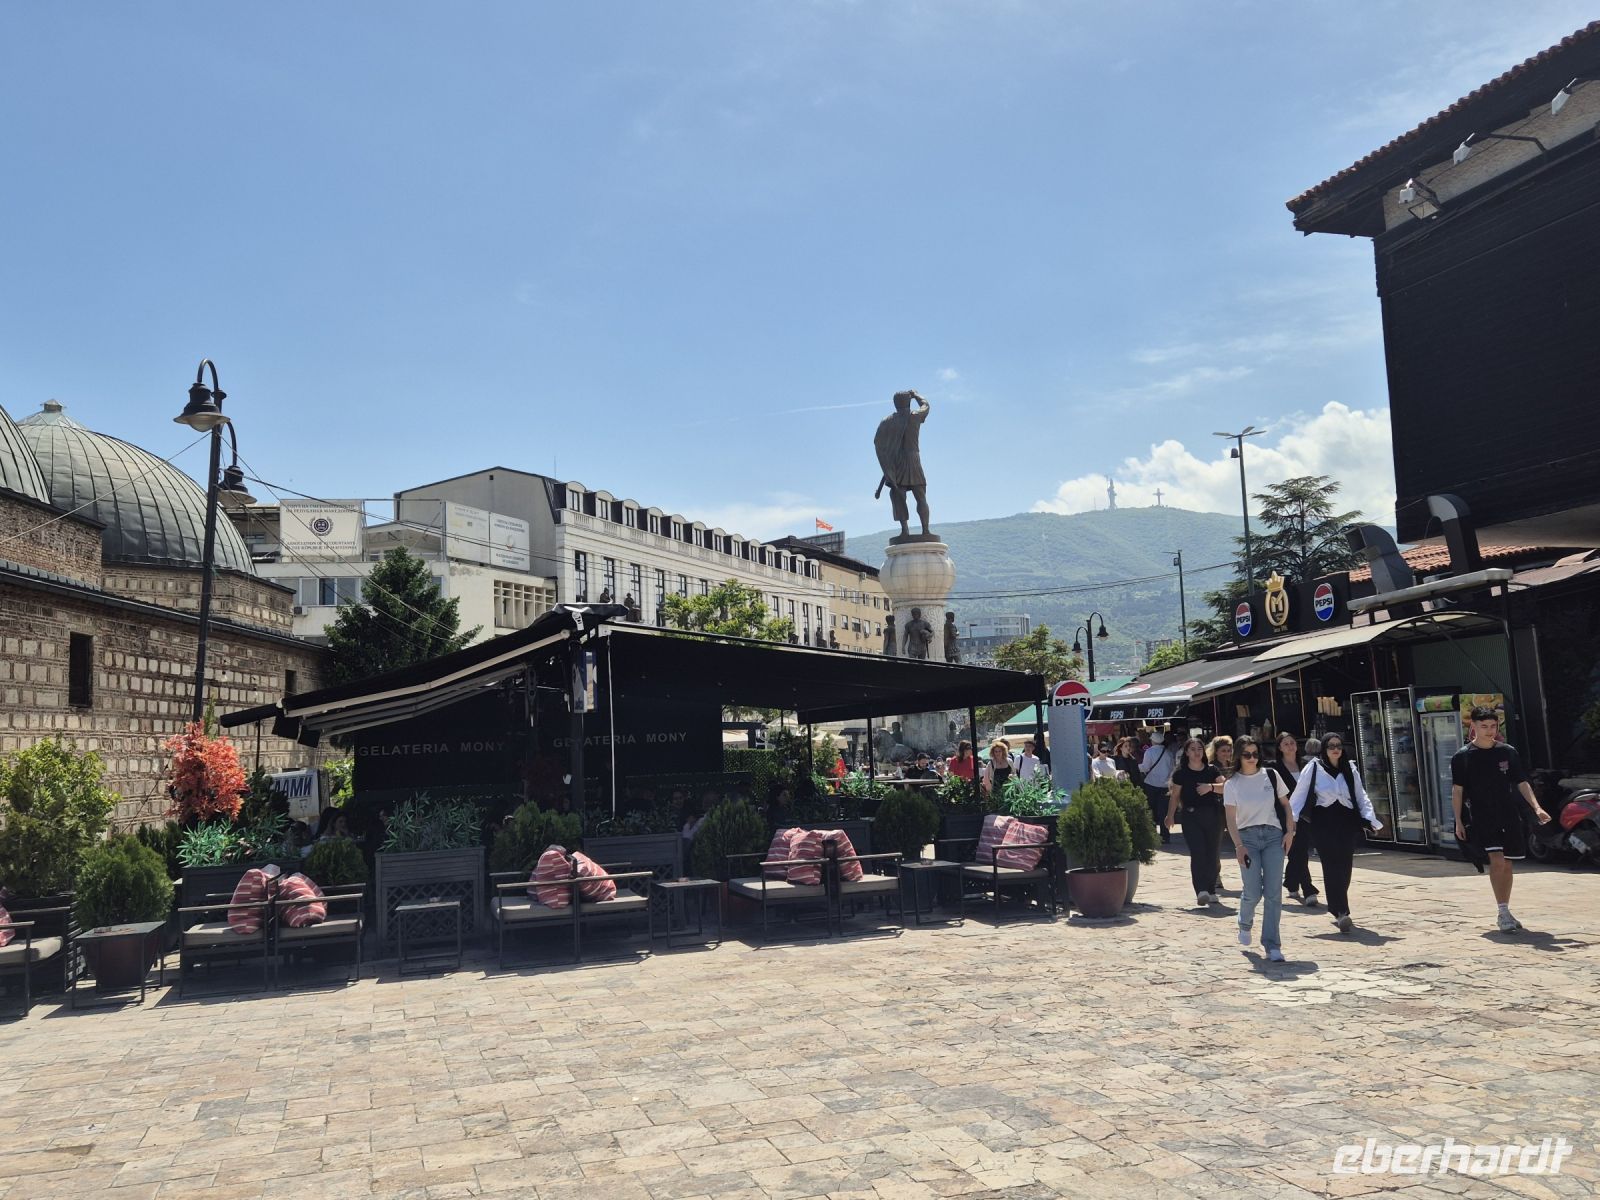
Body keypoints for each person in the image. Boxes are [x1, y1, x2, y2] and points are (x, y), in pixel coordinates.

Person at [1451, 706, 1551, 932]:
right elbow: (1457, 790)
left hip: (1508, 813)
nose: (1489, 731)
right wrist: (1458, 820)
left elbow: (1521, 782)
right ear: (1473, 726)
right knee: (1496, 859)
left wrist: (1537, 807)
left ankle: (1505, 907)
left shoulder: (1507, 752)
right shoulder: (1462, 757)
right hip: (1481, 814)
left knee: (1507, 862)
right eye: (1484, 726)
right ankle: (1502, 912)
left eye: (1493, 726)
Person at [1288, 734, 1384, 933]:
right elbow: (1299, 794)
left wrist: (1369, 817)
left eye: (1338, 746)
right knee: (1331, 864)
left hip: (1346, 820)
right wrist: (1291, 822)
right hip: (1323, 821)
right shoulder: (1314, 767)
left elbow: (1360, 795)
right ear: (1324, 748)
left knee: (1345, 864)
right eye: (1331, 746)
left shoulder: (1350, 768)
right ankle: (1341, 911)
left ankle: (1339, 904)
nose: (1335, 749)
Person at [1224, 737, 1295, 962]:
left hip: (1273, 836)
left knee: (1274, 892)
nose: (1252, 758)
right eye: (1247, 754)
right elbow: (1230, 819)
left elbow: (1286, 805)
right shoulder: (1232, 783)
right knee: (1253, 891)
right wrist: (1238, 846)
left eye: (1255, 754)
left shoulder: (1271, 775)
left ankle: (1272, 944)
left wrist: (1290, 832)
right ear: (1239, 756)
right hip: (1247, 838)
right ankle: (1244, 923)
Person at [1167, 737, 1226, 906]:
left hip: (1213, 816)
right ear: (1186, 752)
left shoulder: (1212, 770)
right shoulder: (1181, 773)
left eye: (1199, 749)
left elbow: (1226, 787)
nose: (1196, 752)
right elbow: (1175, 796)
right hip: (1191, 816)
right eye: (1192, 749)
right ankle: (1201, 890)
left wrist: (1210, 787)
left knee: (1213, 853)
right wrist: (1170, 815)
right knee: (1198, 852)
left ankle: (1211, 889)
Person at [1274, 732, 1319, 905]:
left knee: (1299, 851)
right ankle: (1308, 889)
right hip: (1286, 815)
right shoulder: (1275, 768)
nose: (1290, 746)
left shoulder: (1305, 765)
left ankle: (1291, 882)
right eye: (1286, 744)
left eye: (1292, 743)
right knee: (1297, 851)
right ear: (1280, 748)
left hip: (1306, 814)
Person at [1139, 730, 1178, 845]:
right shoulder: (1168, 752)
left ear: (1153, 741)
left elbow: (1145, 767)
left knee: (1151, 810)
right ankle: (1165, 836)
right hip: (1165, 786)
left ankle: (1152, 836)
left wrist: (1136, 766)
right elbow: (1173, 769)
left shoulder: (1149, 752)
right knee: (1163, 812)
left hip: (1151, 784)